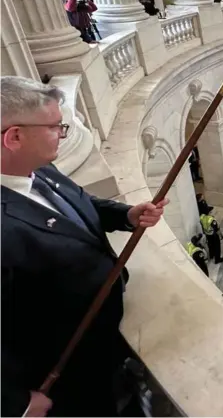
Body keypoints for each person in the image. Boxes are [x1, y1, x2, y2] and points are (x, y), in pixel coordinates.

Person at [0, 76, 168, 417]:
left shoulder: (40, 169)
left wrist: (126, 215)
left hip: (102, 339)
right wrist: (15, 403)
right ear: (14, 137)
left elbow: (78, 204)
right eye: (54, 126)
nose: (62, 133)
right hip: (66, 372)